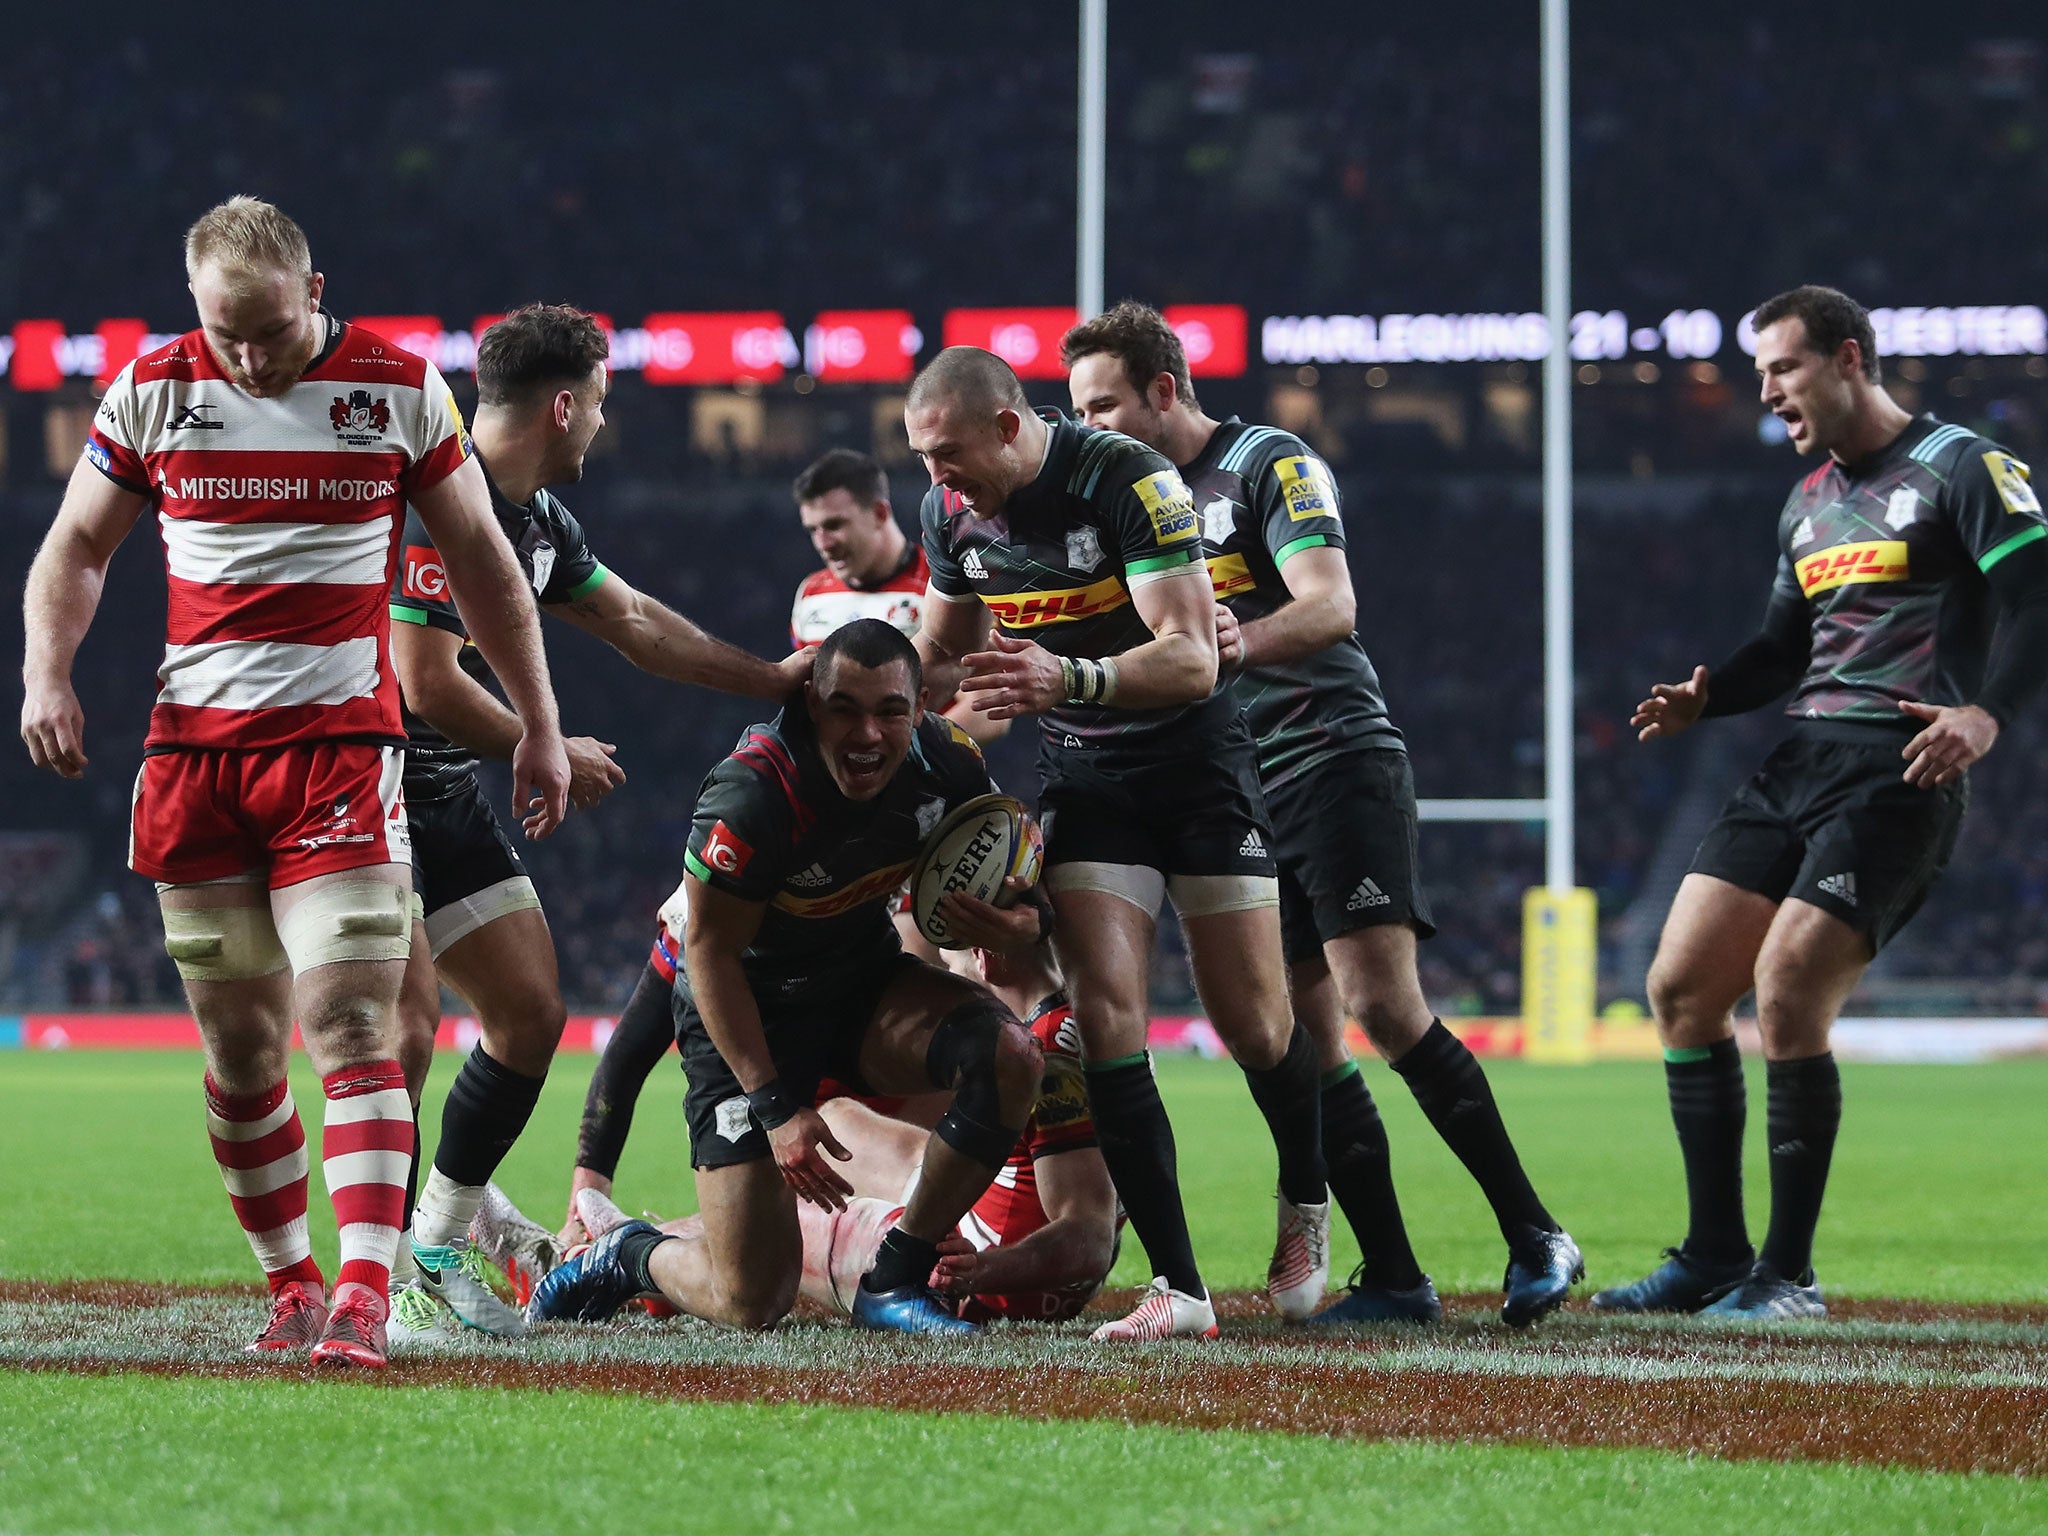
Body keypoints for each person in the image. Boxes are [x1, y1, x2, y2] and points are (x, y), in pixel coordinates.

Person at [17, 196, 570, 1370]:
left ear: (315, 293)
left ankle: (365, 1297)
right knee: (241, 1052)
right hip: (193, 763)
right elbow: (75, 546)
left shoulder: (398, 389)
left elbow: (480, 559)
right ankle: (292, 1283)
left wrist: (538, 724)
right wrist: (45, 674)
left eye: (269, 330)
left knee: (355, 1025)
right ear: (195, 313)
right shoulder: (152, 388)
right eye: (227, 334)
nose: (251, 357)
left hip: (338, 756)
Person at [1061, 302, 1581, 1326]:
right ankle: (1391, 1274)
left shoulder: (1266, 464)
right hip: (1234, 784)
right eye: (1076, 410)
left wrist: (1232, 646)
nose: (1089, 426)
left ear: (1163, 390)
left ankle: (1535, 1233)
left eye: (1103, 404)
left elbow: (1331, 604)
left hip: (1328, 751)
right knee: (1306, 1037)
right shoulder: (1120, 506)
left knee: (1381, 1004)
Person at [1600, 285, 2048, 1320]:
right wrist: (1709, 694)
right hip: (1796, 754)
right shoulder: (1804, 501)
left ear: (1847, 358)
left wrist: (1984, 714)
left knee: (1789, 984)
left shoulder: (1961, 466)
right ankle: (1712, 1254)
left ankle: (1784, 1276)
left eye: (1781, 369)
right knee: (1678, 987)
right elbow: (1783, 652)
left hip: (1901, 764)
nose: (1764, 392)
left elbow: (2036, 596)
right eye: (1760, 373)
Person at [384, 304, 809, 1337]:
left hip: (436, 785)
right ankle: (391, 1275)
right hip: (362, 779)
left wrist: (772, 680)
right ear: (561, 405)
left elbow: (634, 623)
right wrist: (546, 745)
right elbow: (424, 680)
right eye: (601, 409)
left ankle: (442, 1233)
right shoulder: (441, 499)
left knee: (529, 1012)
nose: (603, 430)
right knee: (394, 1041)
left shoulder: (531, 522)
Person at [905, 346, 1331, 1342]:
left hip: (1196, 772)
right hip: (1087, 785)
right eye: (922, 458)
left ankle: (1304, 1200)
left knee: (1257, 1029)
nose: (935, 478)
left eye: (948, 454)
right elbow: (942, 661)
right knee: (1104, 1020)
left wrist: (1067, 680)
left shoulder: (1126, 478)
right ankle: (1177, 1291)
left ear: (1010, 426)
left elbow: (1189, 659)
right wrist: (860, 702)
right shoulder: (947, 516)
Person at [528, 620, 1047, 1335]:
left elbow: (1013, 871)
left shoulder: (947, 764)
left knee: (1010, 1055)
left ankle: (892, 1277)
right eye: (845, 709)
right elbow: (705, 958)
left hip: (859, 988)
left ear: (920, 708)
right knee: (750, 1302)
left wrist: (1027, 921)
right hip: (747, 1020)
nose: (869, 734)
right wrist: (773, 1107)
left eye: (890, 711)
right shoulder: (751, 797)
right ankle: (628, 1255)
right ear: (811, 705)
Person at [552, 447, 964, 1253]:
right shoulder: (814, 598)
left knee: (935, 1020)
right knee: (653, 1008)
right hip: (800, 840)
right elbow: (804, 719)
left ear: (883, 515)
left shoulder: (938, 595)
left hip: (905, 839)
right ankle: (586, 1202)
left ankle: (895, 1212)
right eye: (813, 530)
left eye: (836, 524)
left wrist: (918, 772)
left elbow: (965, 708)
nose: (825, 544)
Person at [482, 936, 1119, 1323]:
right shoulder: (1071, 1027)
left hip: (964, 1279)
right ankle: (614, 1246)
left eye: (949, 945)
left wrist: (982, 1271)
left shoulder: (1050, 1051)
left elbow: (1089, 1241)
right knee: (837, 1126)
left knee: (761, 1263)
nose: (946, 965)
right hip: (974, 1232)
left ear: (985, 952)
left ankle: (605, 1253)